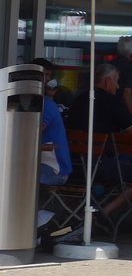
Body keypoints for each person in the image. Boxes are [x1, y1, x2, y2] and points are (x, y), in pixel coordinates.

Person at [63, 62, 132, 219]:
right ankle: (105, 213)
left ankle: (88, 212)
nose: (118, 86)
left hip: (73, 167)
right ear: (107, 81)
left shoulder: (78, 100)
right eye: (117, 81)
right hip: (98, 167)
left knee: (120, 167)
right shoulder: (112, 102)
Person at [33, 58, 72, 187]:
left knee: (16, 175)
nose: (48, 80)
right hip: (40, 163)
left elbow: (34, 133)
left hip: (54, 170)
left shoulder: (47, 105)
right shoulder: (42, 102)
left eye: (49, 75)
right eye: (45, 75)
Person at [113, 35, 132, 113]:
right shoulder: (130, 69)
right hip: (120, 111)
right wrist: (130, 115)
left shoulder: (109, 65)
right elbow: (127, 94)